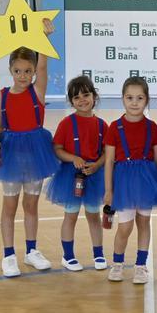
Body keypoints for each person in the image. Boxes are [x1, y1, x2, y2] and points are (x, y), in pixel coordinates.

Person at [0, 45, 61, 278]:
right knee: (9, 206)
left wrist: (44, 40)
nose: (23, 76)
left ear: (35, 71)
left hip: (36, 153)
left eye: (28, 71)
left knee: (31, 205)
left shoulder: (37, 91)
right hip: (11, 154)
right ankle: (8, 255)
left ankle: (31, 250)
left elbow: (45, 66)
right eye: (18, 71)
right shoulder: (2, 95)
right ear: (10, 70)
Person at [103, 77, 157, 284]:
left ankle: (140, 266)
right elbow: (109, 161)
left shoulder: (153, 128)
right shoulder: (114, 127)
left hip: (147, 183)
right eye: (130, 97)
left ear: (147, 100)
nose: (134, 102)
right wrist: (109, 190)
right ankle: (118, 263)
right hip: (124, 185)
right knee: (124, 227)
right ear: (122, 99)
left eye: (140, 98)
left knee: (144, 223)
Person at [46, 75, 108, 272]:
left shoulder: (101, 125)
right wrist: (73, 158)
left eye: (86, 95)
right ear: (71, 101)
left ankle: (98, 254)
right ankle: (68, 256)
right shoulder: (66, 123)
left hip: (94, 176)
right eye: (76, 97)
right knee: (70, 216)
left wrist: (98, 164)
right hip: (71, 177)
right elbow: (57, 149)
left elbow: (108, 152)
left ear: (94, 96)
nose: (82, 100)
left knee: (94, 216)